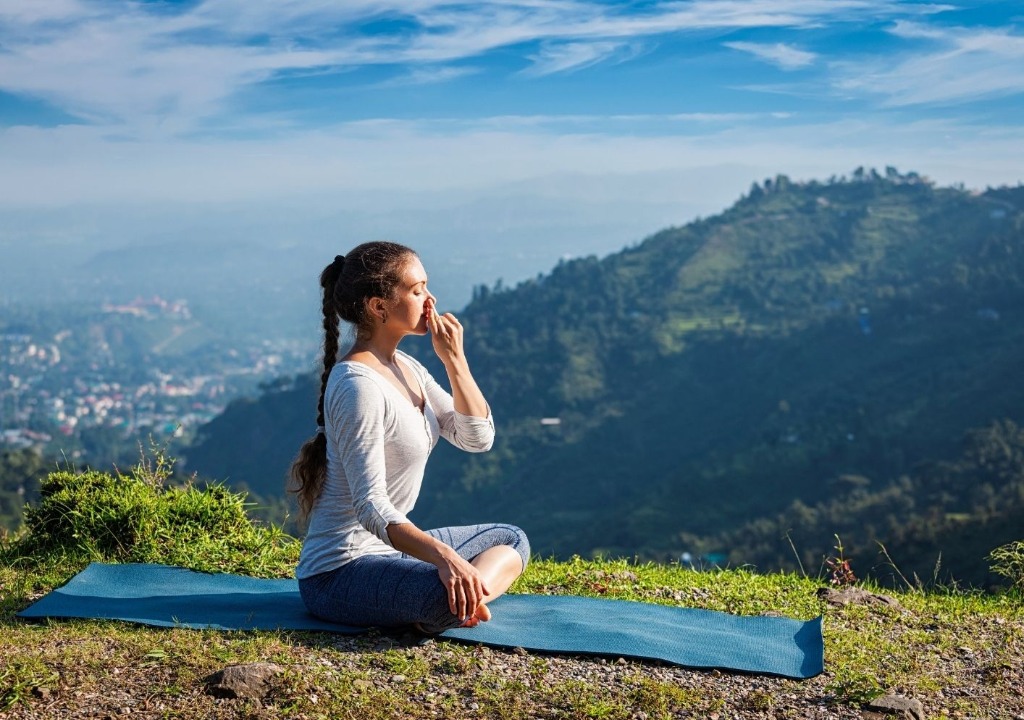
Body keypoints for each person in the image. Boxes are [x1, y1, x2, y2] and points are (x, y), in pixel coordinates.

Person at [290, 241, 529, 633]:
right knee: (442, 591)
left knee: (510, 539)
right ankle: (452, 603)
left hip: (390, 555)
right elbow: (371, 506)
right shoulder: (358, 387)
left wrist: (455, 360)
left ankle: (463, 601)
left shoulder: (407, 367)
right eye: (417, 290)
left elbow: (476, 438)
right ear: (378, 307)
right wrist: (445, 559)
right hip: (338, 574)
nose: (430, 299)